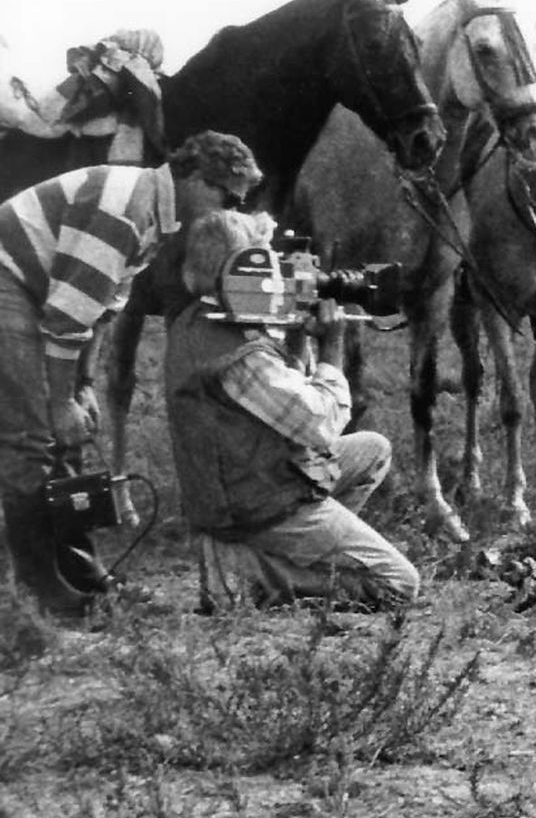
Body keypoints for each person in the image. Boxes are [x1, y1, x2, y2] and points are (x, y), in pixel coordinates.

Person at [0, 130, 262, 615]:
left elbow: (101, 310)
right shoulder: (122, 209)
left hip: (37, 290)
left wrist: (81, 385)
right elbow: (66, 316)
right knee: (31, 440)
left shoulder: (155, 216)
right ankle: (42, 596)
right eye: (229, 197)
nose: (232, 212)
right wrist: (60, 404)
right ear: (197, 180)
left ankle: (81, 574)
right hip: (8, 280)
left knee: (66, 441)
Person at [162, 210, 420, 611]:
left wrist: (297, 338)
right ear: (240, 270)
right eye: (266, 262)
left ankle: (290, 556)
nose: (277, 275)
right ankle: (248, 576)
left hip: (248, 483)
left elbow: (287, 400)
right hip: (259, 504)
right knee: (399, 584)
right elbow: (320, 427)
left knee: (373, 449)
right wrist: (332, 348)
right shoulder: (239, 357)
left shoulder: (199, 321)